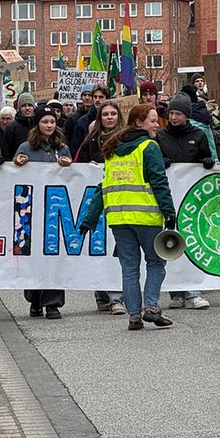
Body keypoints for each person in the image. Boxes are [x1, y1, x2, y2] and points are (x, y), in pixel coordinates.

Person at [80, 104, 176, 330]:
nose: (157, 125)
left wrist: (90, 218)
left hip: (119, 219)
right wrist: (170, 213)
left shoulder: (112, 148)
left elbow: (103, 187)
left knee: (129, 268)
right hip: (146, 217)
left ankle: (134, 316)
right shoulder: (148, 147)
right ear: (139, 122)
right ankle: (150, 307)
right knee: (155, 263)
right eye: (153, 121)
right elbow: (159, 182)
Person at [155, 93, 213, 310]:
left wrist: (206, 162)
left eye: (178, 113)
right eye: (171, 113)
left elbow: (208, 157)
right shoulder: (160, 137)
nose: (173, 117)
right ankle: (176, 292)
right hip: (170, 196)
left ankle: (194, 291)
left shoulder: (198, 135)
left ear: (186, 115)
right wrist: (162, 161)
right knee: (171, 241)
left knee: (193, 240)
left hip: (193, 198)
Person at [13, 104, 72, 319]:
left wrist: (68, 166)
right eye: (45, 121)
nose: (49, 125)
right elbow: (15, 175)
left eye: (52, 121)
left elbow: (70, 178)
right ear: (38, 124)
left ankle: (53, 303)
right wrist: (18, 164)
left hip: (54, 210)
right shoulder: (26, 148)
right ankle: (35, 298)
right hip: (31, 210)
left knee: (53, 255)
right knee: (33, 255)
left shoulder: (62, 148)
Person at [73, 101, 127, 315]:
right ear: (99, 117)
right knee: (98, 247)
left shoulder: (125, 139)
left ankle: (117, 296)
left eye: (114, 113)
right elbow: (79, 165)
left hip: (118, 199)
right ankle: (101, 295)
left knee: (115, 247)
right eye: (105, 114)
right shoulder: (90, 140)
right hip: (95, 198)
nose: (110, 117)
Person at [70, 84, 109, 155]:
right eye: (95, 97)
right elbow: (75, 149)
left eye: (101, 97)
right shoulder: (81, 122)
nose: (97, 100)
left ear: (107, 98)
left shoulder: (114, 120)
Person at [2, 92, 36, 161]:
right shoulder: (10, 128)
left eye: (30, 105)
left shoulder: (39, 125)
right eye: (24, 106)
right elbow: (6, 153)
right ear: (19, 108)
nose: (27, 108)